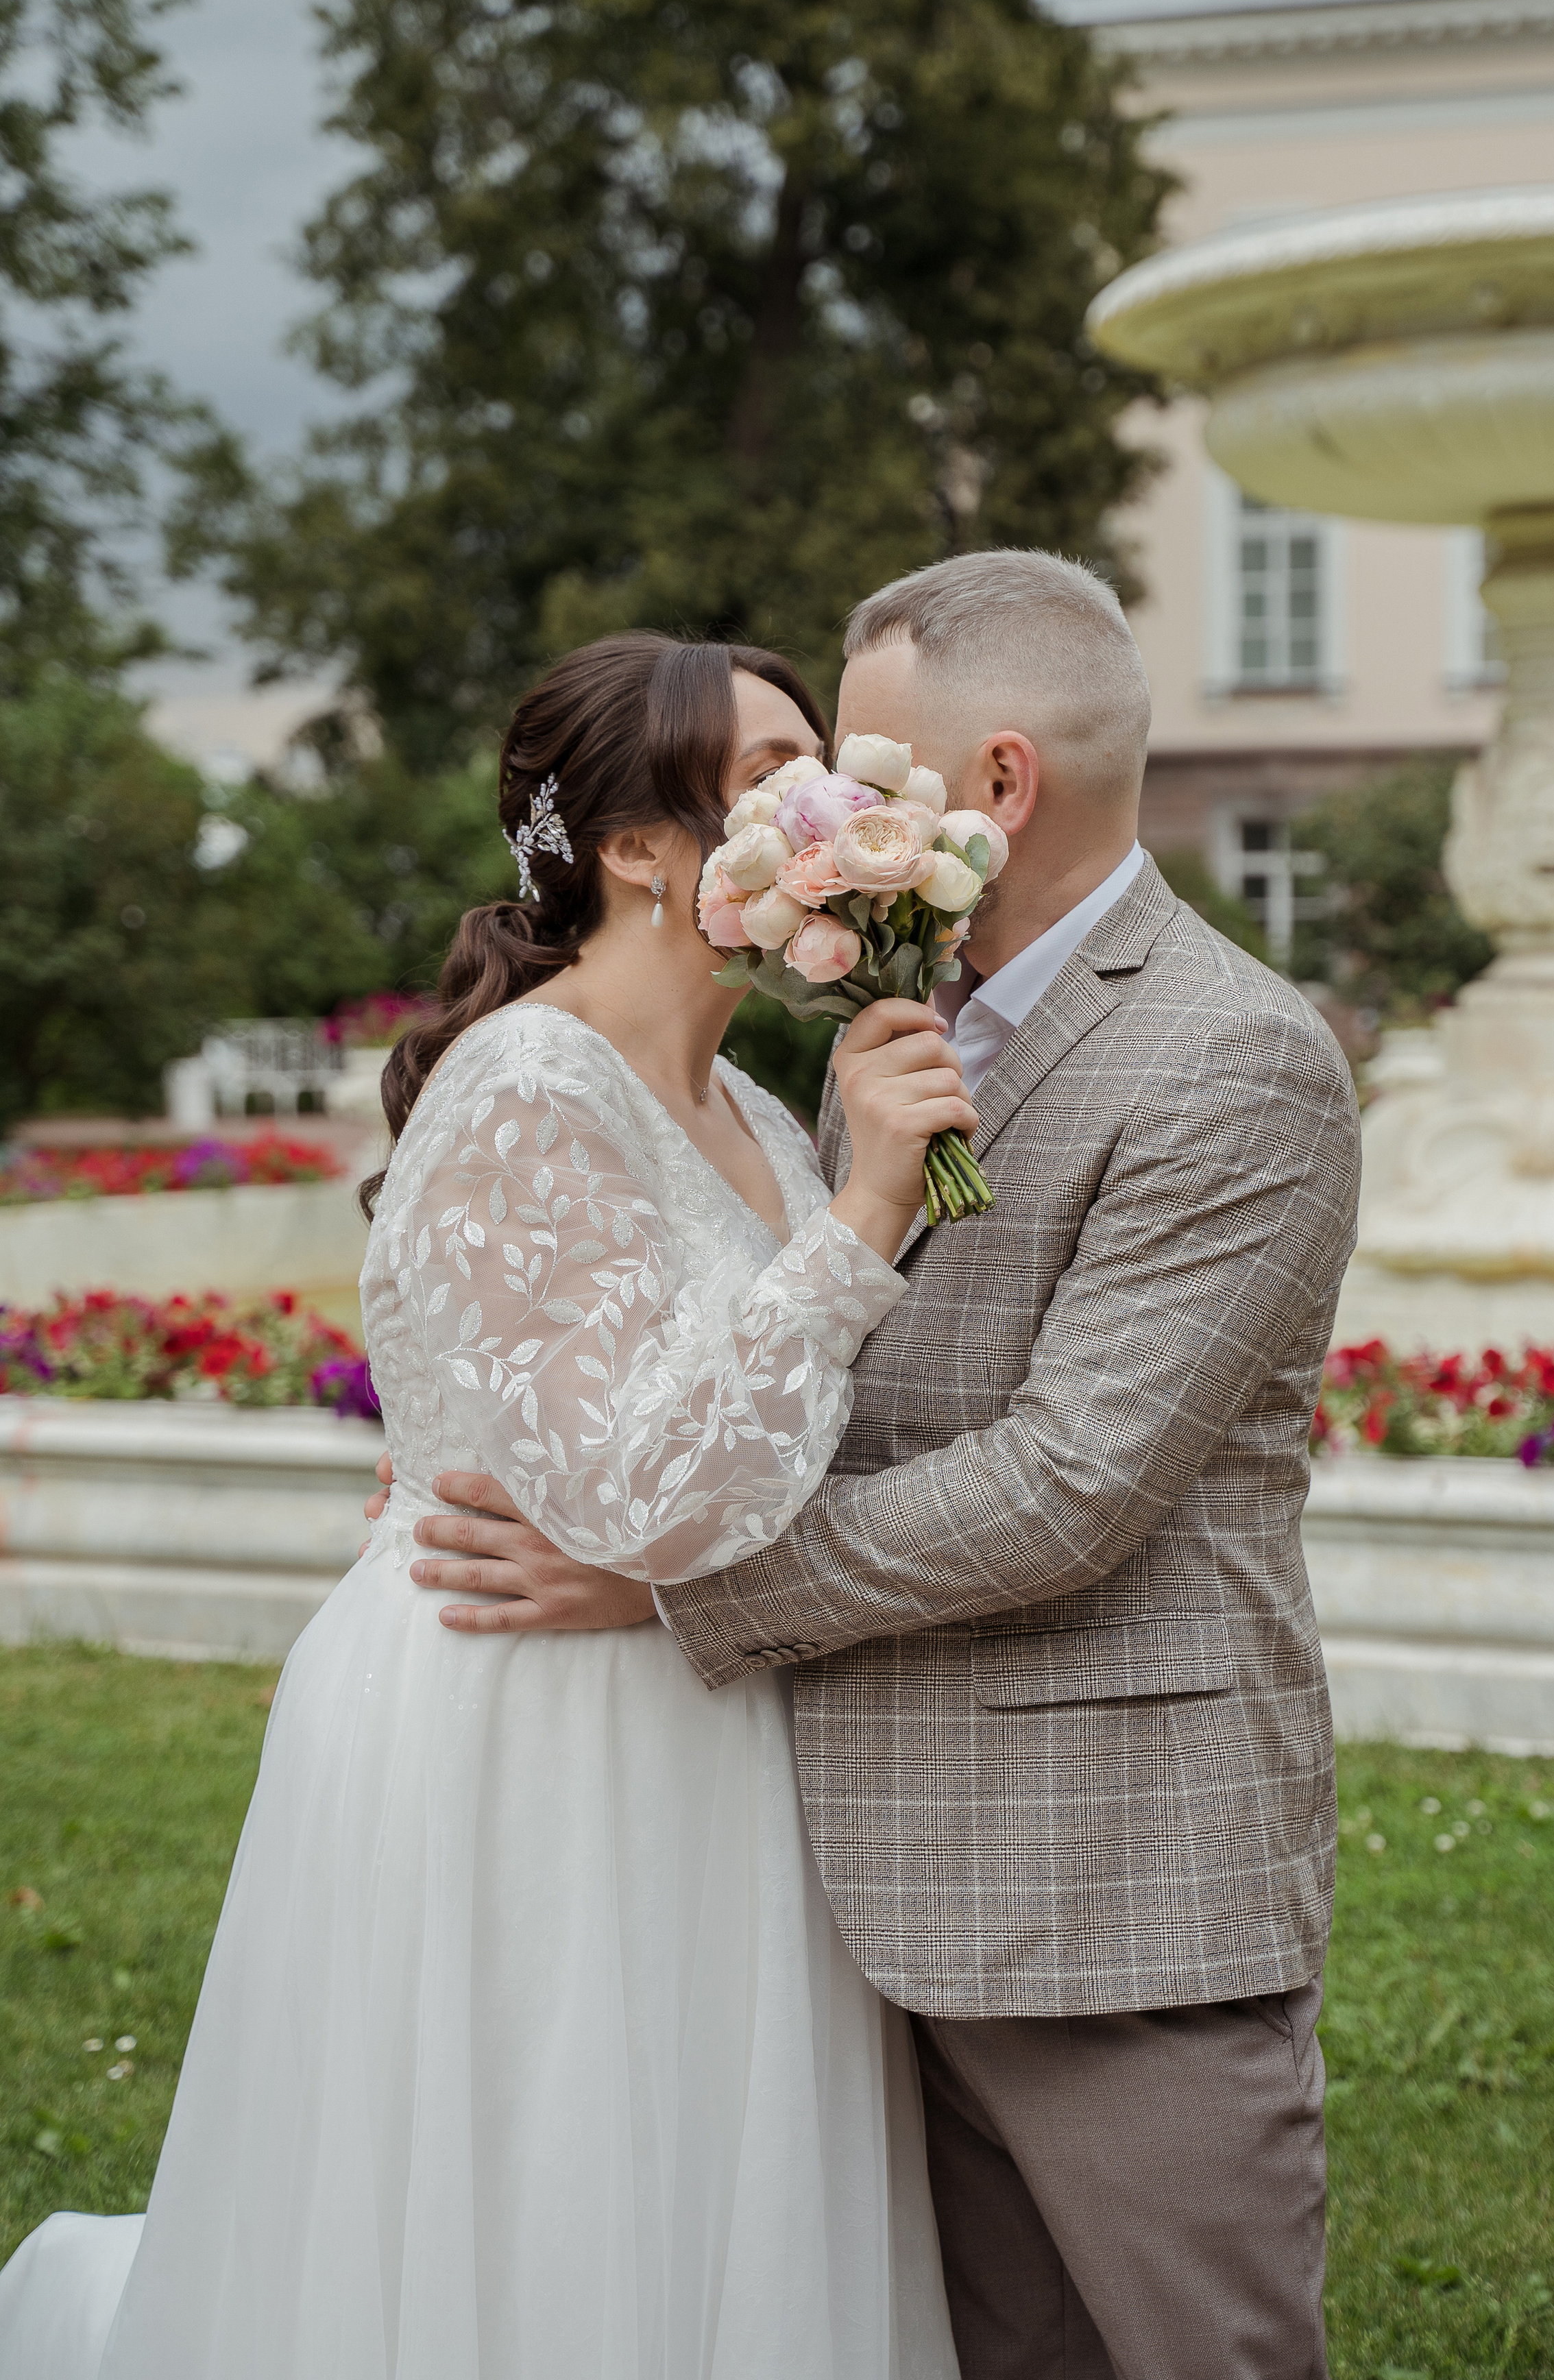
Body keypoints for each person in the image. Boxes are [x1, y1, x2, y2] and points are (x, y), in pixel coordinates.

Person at [390, 550, 1363, 2380]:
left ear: (996, 784)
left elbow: (1067, 1487)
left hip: (1101, 1885)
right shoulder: (859, 1040)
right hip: (832, 1881)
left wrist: (661, 1587)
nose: (823, 809)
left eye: (856, 767)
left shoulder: (1228, 1056)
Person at [0, 633, 969, 2380]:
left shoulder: (758, 1108)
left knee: (698, 2197)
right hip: (524, 1722)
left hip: (695, 1713)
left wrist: (850, 1197)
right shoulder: (528, 1084)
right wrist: (869, 1216)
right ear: (640, 847)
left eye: (823, 767)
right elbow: (637, 1496)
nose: (823, 803)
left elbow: (751, 1448)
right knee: (539, 2194)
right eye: (771, 776)